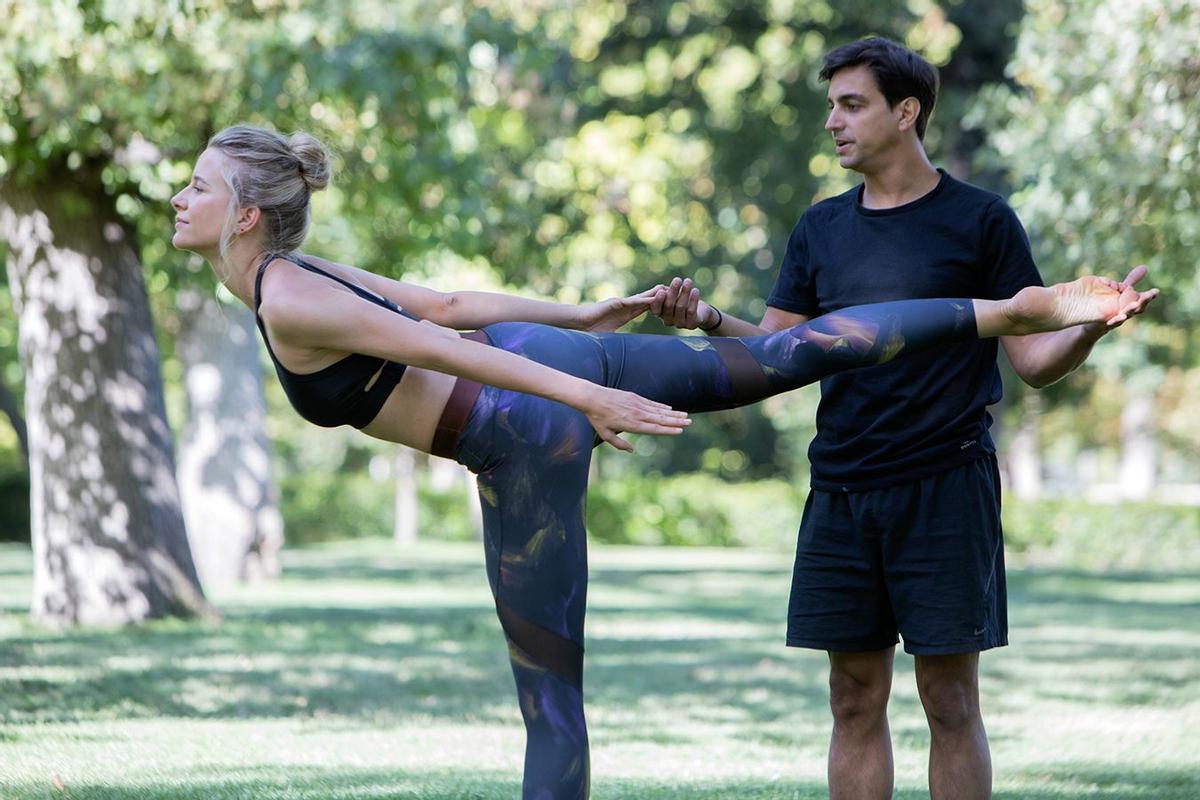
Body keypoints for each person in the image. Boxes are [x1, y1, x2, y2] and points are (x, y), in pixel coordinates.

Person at [170, 123, 1154, 800]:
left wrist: (586, 393)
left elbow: (449, 346)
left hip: (523, 423)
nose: (182, 196)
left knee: (552, 700)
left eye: (199, 185)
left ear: (248, 213)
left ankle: (1010, 310)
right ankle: (1002, 312)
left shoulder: (287, 297)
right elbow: (451, 306)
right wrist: (584, 327)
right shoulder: (302, 275)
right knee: (777, 355)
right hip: (547, 371)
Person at [647, 37, 1157, 800]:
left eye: (851, 105)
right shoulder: (820, 229)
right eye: (832, 106)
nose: (833, 122)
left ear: (905, 111)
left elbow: (1032, 362)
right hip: (843, 488)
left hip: (946, 487)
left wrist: (1086, 328)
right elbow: (784, 353)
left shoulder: (981, 221)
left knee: (950, 701)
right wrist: (711, 319)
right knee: (852, 697)